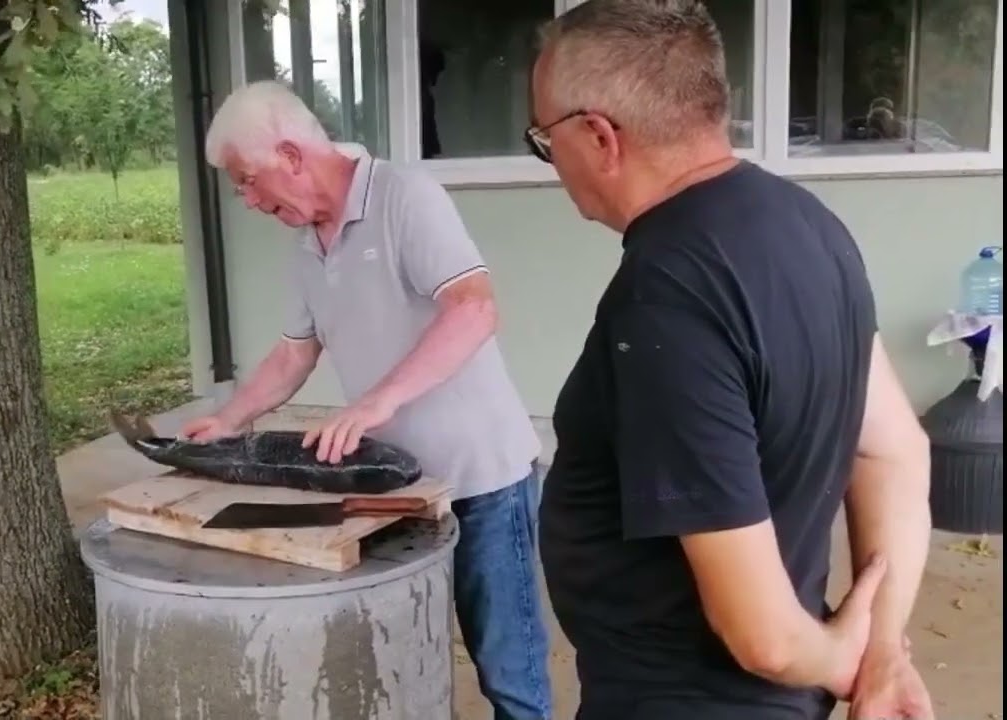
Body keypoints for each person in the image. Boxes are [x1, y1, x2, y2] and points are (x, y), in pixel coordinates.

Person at [527, 2, 935, 719]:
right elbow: (894, 450)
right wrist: (883, 648)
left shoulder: (666, 293)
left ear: (598, 137)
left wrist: (848, 661)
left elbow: (766, 640)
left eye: (543, 139)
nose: (551, 162)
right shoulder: (811, 225)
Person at [180, 79, 553, 720]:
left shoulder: (407, 197)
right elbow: (294, 353)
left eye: (247, 181)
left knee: (509, 674)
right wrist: (228, 419)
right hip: (394, 489)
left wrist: (377, 401)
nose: (248, 200)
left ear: (290, 155)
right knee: (403, 655)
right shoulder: (305, 244)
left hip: (482, 480)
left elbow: (474, 310)